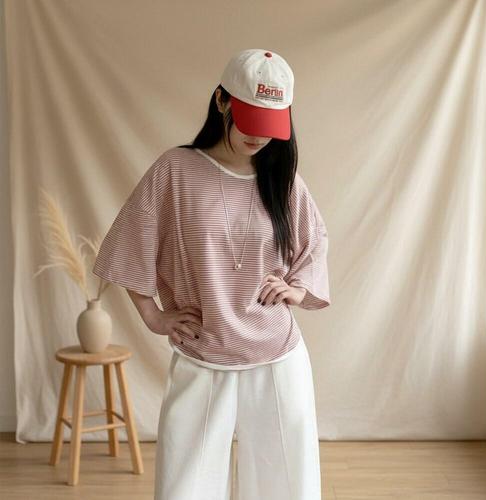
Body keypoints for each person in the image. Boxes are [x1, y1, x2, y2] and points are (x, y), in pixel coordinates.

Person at [93, 48, 331, 500]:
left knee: (287, 486)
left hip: (277, 355)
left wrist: (297, 290)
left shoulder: (282, 179)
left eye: (270, 125)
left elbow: (315, 239)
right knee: (186, 487)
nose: (259, 136)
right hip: (203, 352)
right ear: (222, 100)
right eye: (250, 120)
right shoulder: (176, 170)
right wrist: (152, 315)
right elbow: (128, 240)